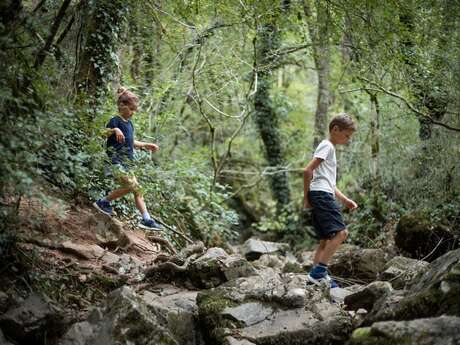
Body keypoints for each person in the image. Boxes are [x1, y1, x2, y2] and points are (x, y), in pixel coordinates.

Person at [93, 87, 164, 231]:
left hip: (127, 163)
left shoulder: (129, 124)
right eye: (131, 109)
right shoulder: (115, 120)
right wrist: (114, 130)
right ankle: (102, 202)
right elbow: (102, 134)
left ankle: (146, 219)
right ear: (122, 106)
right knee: (133, 187)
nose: (132, 113)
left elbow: (129, 141)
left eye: (134, 110)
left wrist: (145, 144)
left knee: (138, 190)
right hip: (115, 161)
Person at [303, 113, 358, 288]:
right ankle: (318, 273)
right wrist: (306, 197)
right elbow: (307, 171)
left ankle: (315, 280)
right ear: (335, 129)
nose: (347, 139)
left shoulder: (327, 148)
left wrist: (345, 200)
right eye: (346, 135)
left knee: (325, 241)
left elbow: (329, 183)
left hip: (321, 193)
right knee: (341, 233)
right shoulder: (328, 146)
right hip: (321, 195)